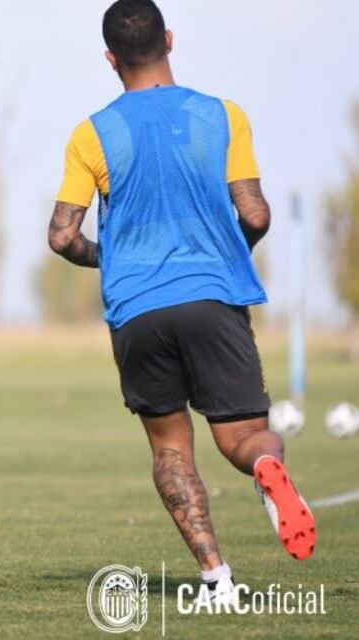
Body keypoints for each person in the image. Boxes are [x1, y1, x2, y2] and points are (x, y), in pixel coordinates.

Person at [48, 0, 315, 602]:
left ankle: (216, 578)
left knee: (171, 447)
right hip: (212, 299)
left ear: (109, 58)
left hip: (138, 309)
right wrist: (222, 251)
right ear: (169, 39)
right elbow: (256, 213)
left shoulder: (91, 133)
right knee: (244, 438)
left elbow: (62, 236)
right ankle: (269, 471)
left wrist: (111, 259)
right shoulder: (223, 115)